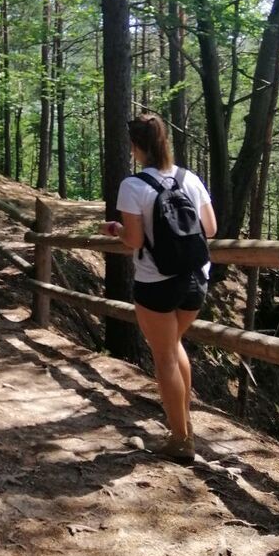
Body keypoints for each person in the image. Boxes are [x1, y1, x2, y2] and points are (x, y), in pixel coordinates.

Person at [101, 113, 217, 461]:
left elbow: (134, 239)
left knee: (164, 355)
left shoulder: (133, 186)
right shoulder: (189, 178)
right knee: (174, 346)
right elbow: (209, 228)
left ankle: (180, 440)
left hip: (156, 282)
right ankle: (185, 425)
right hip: (196, 279)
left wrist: (116, 231)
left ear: (135, 146)